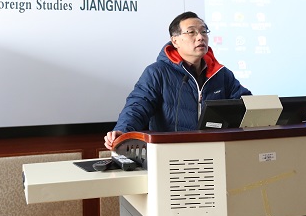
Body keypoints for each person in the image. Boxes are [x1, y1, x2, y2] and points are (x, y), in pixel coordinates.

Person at [104, 11, 251, 150]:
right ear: (175, 41)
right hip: (171, 152)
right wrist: (122, 131)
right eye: (191, 32)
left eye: (204, 31)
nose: (200, 37)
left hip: (215, 150)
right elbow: (138, 106)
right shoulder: (157, 72)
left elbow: (246, 103)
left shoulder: (221, 74)